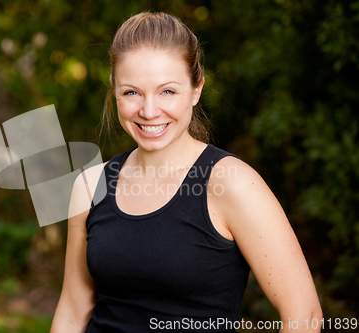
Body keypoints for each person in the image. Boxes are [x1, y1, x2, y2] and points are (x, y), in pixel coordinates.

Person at [50, 11, 322, 333]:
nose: (149, 111)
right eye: (132, 92)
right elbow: (72, 309)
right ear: (115, 92)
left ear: (196, 89)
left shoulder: (231, 183)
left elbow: (304, 315)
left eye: (167, 91)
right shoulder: (90, 184)